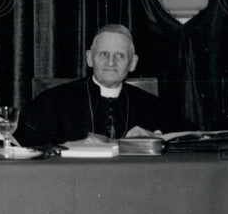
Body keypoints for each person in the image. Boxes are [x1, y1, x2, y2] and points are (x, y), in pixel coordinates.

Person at [15, 24, 171, 147]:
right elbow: (24, 147)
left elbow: (190, 138)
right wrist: (70, 146)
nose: (111, 62)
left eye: (120, 55)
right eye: (104, 54)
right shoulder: (52, 101)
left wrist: (156, 137)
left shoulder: (153, 105)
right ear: (89, 58)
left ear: (133, 63)